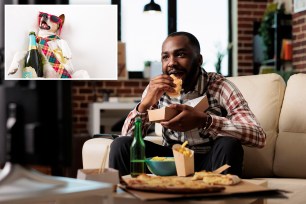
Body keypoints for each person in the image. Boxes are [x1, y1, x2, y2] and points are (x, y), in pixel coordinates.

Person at [109, 31, 266, 177]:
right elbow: (127, 136)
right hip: (171, 161)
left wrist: (205, 120)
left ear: (199, 60)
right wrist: (143, 105)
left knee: (228, 144)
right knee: (121, 145)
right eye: (165, 57)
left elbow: (258, 136)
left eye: (180, 55)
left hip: (210, 161)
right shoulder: (156, 90)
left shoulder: (219, 85)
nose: (171, 63)